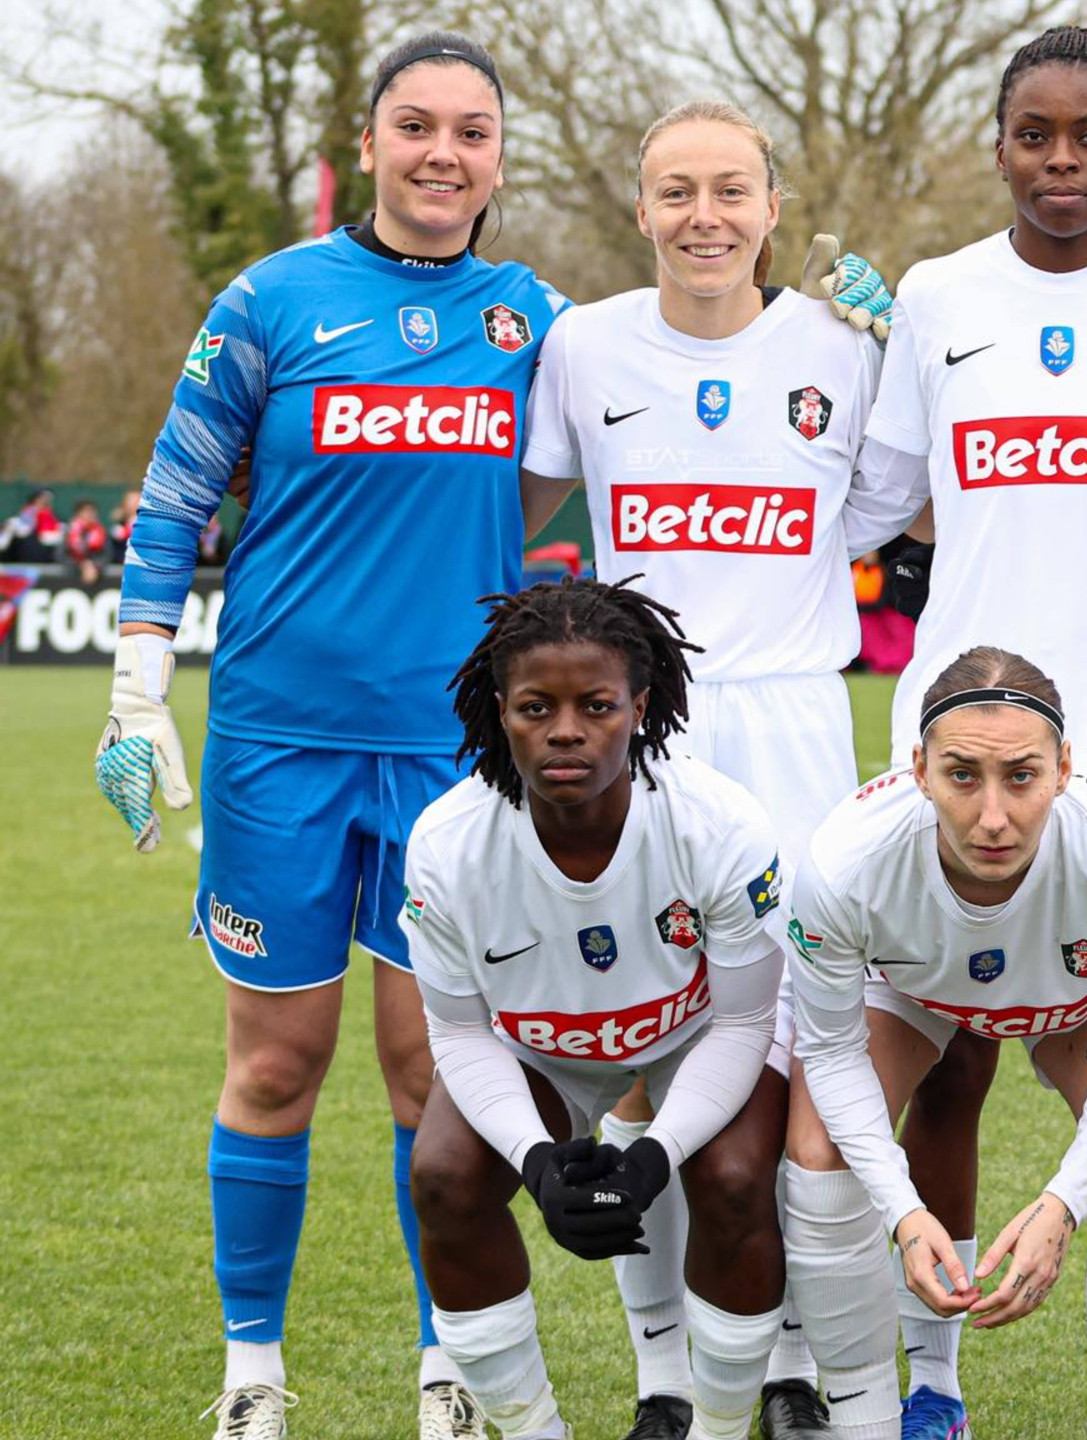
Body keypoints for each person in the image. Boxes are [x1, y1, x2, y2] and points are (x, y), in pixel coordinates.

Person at [91, 31, 565, 1440]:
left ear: (497, 155)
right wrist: (134, 682)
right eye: (415, 125)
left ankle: (451, 1369)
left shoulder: (538, 317)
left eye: (471, 131)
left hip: (453, 757)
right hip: (277, 744)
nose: (442, 153)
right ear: (367, 144)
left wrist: (840, 332)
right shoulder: (271, 299)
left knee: (435, 1069)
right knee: (277, 1061)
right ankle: (252, 1373)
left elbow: (675, 390)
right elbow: (176, 493)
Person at [848, 26, 1087, 1427]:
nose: (1061, 162)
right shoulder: (940, 295)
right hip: (960, 734)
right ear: (999, 145)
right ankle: (931, 1384)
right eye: (1035, 134)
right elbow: (890, 485)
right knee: (943, 1061)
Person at [516, 96, 909, 1440]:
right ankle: (666, 1374)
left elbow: (877, 504)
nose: (704, 217)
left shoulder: (841, 348)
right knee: (648, 1039)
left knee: (798, 1044)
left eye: (730, 190)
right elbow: (528, 509)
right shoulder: (581, 348)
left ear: (773, 207)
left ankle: (790, 1348)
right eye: (676, 192)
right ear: (640, 209)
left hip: (795, 722)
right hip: (644, 736)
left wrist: (903, 332)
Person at [402, 578, 802, 1440]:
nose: (567, 730)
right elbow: (461, 1032)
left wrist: (656, 1153)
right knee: (444, 1179)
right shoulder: (447, 845)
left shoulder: (721, 826)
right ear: (498, 712)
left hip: (697, 1035)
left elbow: (742, 1022)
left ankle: (722, 1428)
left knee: (732, 1181)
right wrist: (537, 1161)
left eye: (597, 705)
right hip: (538, 1051)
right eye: (535, 707)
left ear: (641, 707)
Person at [791, 647, 1087, 1440]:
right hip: (916, 990)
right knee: (817, 1153)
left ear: (1065, 768)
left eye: (1021, 776)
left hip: (1068, 998)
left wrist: (1063, 1205)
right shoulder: (844, 863)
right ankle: (895, 1408)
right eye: (962, 775)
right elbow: (832, 1054)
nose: (993, 816)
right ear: (919, 770)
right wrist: (903, 1214)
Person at [64, 499, 109, 583]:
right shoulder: (69, 532)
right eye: (85, 512)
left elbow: (107, 554)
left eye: (92, 512)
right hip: (72, 576)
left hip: (97, 577)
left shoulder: (101, 532)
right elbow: (61, 555)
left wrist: (95, 565)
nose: (89, 515)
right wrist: (80, 566)